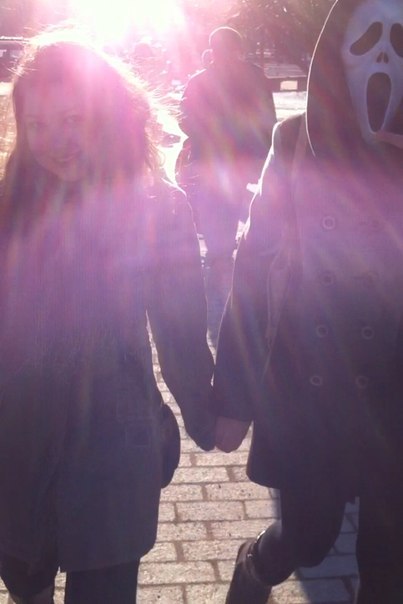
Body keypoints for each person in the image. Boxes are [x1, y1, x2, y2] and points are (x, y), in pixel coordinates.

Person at [0, 29, 215, 604]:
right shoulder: (10, 206)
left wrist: (209, 412)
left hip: (112, 444)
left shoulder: (156, 207)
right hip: (17, 443)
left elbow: (180, 330)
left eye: (72, 119)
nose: (55, 142)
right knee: (25, 584)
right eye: (37, 125)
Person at [212, 0, 403, 603]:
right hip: (311, 386)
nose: (382, 57)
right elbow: (253, 264)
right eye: (367, 39)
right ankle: (254, 566)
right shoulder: (294, 141)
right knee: (308, 537)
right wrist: (233, 395)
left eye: (399, 41)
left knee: (390, 558)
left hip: (394, 388)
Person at [178, 26, 277, 297]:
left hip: (214, 156)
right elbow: (267, 117)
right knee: (230, 204)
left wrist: (204, 133)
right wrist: (263, 150)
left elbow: (184, 118)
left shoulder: (200, 80)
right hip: (238, 156)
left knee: (217, 204)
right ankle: (224, 254)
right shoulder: (253, 76)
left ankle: (221, 254)